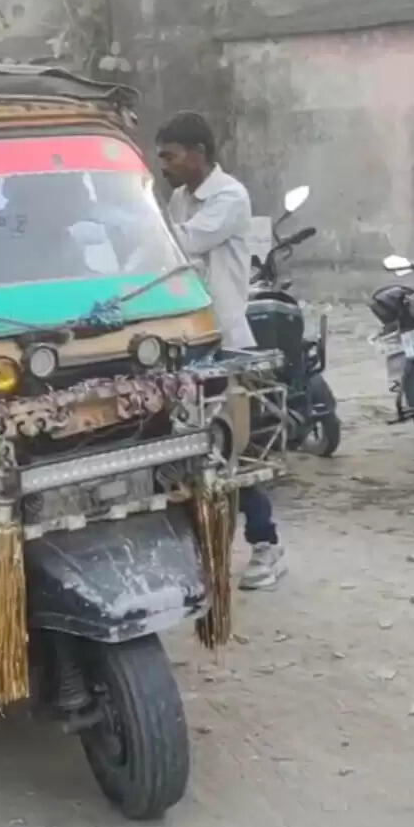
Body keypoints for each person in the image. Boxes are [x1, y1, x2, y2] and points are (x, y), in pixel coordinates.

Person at [156, 111, 287, 591]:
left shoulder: (229, 197)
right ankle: (202, 552)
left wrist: (128, 222)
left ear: (198, 154)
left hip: (223, 340)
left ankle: (266, 543)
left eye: (170, 156)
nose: (164, 166)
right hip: (182, 340)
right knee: (188, 452)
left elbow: (180, 245)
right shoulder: (178, 197)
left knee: (230, 451)